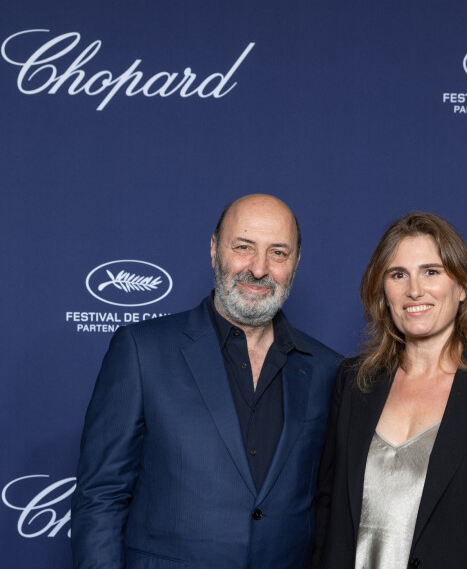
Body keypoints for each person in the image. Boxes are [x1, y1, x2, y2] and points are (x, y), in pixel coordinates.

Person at [71, 194, 342, 569]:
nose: (259, 269)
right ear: (215, 249)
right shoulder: (142, 350)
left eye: (278, 253)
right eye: (243, 247)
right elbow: (100, 497)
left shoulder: (329, 369)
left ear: (295, 263)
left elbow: (328, 508)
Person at [313, 213, 467, 569]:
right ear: (383, 291)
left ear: (463, 287)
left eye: (431, 272)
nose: (414, 290)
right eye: (398, 274)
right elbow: (327, 514)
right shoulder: (354, 381)